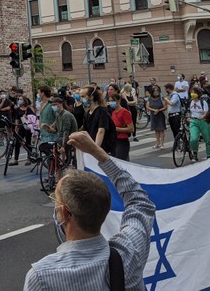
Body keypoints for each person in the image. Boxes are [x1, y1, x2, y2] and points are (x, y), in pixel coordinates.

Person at [25, 131, 155, 290]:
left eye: (55, 200)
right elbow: (140, 202)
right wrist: (97, 152)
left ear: (65, 214)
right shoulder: (128, 254)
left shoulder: (41, 277)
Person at [81, 85, 115, 155]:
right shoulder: (86, 114)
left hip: (104, 150)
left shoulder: (102, 112)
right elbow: (85, 132)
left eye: (83, 96)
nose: (81, 99)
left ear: (91, 97)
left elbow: (101, 131)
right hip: (93, 149)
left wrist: (96, 149)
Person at [109, 94, 134, 161]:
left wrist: (116, 129)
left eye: (113, 100)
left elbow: (131, 129)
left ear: (118, 101)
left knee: (121, 161)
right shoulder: (113, 112)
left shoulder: (124, 112)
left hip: (122, 140)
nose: (111, 102)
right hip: (114, 140)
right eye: (110, 101)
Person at [189, 93, 210, 160]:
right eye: (191, 92)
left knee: (207, 139)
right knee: (193, 139)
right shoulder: (190, 101)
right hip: (193, 121)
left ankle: (209, 155)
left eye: (194, 92)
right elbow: (189, 111)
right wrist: (189, 117)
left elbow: (206, 112)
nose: (192, 94)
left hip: (203, 121)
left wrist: (202, 117)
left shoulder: (203, 102)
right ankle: (195, 153)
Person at [145, 84, 167, 149]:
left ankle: (162, 144)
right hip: (153, 115)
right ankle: (157, 143)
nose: (156, 92)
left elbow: (165, 106)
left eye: (157, 91)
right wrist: (154, 110)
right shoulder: (150, 99)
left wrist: (159, 110)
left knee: (161, 129)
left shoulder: (161, 98)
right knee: (156, 130)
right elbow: (147, 106)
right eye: (154, 91)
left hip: (160, 115)